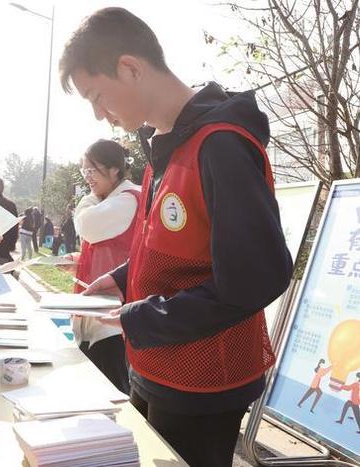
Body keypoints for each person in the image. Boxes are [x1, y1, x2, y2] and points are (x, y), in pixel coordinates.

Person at [62, 8, 292, 467]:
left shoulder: (219, 143)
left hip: (205, 379)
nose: (99, 114)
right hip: (155, 363)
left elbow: (257, 278)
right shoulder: (164, 146)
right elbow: (174, 246)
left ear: (130, 67)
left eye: (97, 96)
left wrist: (142, 318)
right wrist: (123, 277)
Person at [71, 139, 140, 394]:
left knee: (108, 394)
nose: (87, 177)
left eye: (92, 170)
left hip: (111, 320)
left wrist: (89, 198)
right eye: (84, 170)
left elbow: (86, 225)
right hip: (99, 314)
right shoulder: (113, 198)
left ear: (115, 170)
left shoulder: (127, 199)